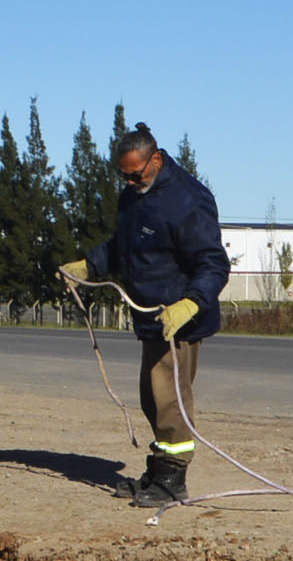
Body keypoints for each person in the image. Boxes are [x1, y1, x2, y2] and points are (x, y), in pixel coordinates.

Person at [57, 122, 230, 507]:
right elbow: (124, 245)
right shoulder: (133, 197)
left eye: (136, 175)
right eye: (124, 176)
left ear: (156, 159)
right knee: (151, 398)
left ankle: (173, 480)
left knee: (170, 401)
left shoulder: (189, 200)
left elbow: (214, 264)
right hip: (150, 319)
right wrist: (89, 265)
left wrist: (189, 304)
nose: (131, 182)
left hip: (180, 321)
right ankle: (158, 469)